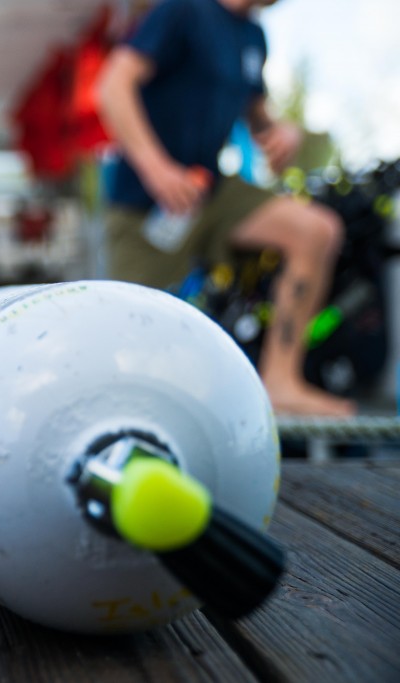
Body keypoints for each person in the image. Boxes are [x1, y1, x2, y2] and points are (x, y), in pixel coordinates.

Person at [97, 0, 356, 417]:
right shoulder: (182, 11)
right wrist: (157, 169)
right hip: (145, 203)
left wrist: (280, 133)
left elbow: (258, 117)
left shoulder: (253, 36)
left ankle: (281, 382)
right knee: (132, 339)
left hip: (210, 191)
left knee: (315, 230)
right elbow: (114, 84)